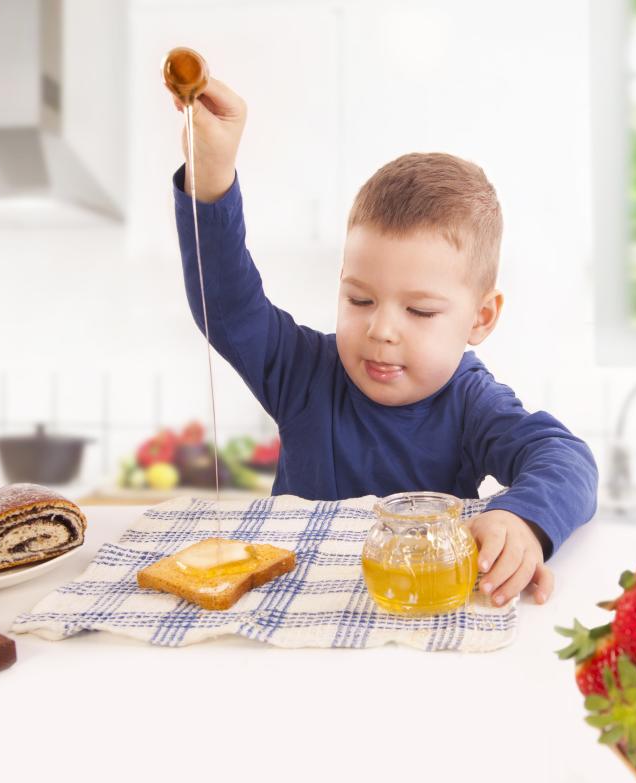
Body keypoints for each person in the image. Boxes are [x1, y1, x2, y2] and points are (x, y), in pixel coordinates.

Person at [169, 76, 598, 608]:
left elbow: (566, 459)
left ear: (480, 319)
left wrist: (521, 518)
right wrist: (210, 178)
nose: (381, 330)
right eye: (360, 300)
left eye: (419, 310)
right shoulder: (302, 370)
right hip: (291, 616)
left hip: (419, 623)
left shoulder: (471, 402)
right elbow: (228, 305)